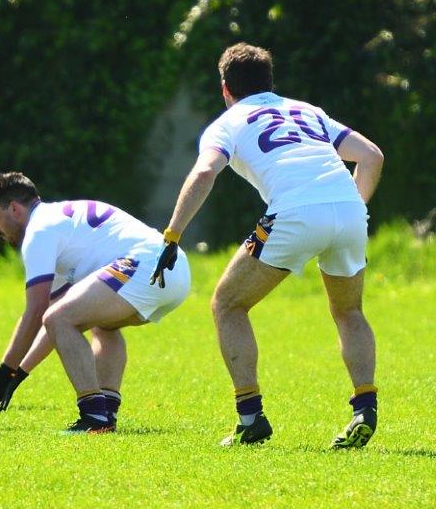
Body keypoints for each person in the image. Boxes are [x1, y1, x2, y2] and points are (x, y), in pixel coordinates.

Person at [154, 43, 384, 448]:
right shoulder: (307, 110)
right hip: (349, 210)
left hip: (294, 213)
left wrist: (172, 233)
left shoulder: (227, 122)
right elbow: (371, 156)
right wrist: (349, 208)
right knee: (349, 310)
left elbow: (205, 172)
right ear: (270, 82)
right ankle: (364, 408)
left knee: (227, 304)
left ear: (225, 88)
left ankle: (250, 418)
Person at [0, 172, 191, 433]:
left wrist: (6, 368)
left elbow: (39, 312)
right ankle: (105, 411)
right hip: (176, 271)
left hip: (146, 264)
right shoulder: (57, 224)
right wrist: (19, 372)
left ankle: (94, 417)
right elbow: (54, 321)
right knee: (96, 324)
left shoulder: (38, 232)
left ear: (15, 209)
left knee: (61, 318)